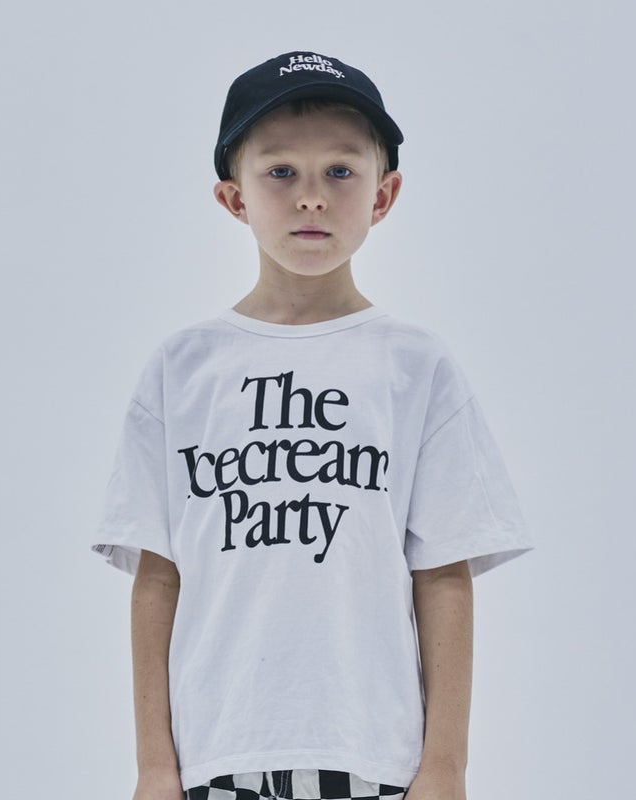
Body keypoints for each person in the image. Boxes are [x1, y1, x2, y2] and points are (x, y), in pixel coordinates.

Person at [91, 51, 534, 800]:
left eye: (339, 171)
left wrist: (445, 768)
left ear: (383, 194)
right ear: (233, 198)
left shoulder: (415, 366)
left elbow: (444, 573)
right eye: (280, 172)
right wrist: (154, 767)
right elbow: (157, 575)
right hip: (216, 755)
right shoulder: (182, 369)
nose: (310, 198)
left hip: (375, 758)